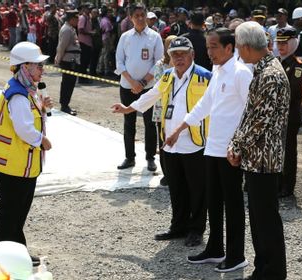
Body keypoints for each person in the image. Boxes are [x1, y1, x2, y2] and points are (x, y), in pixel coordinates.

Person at [112, 36, 211, 247]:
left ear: (192, 54)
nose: (179, 58)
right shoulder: (167, 76)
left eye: (183, 54)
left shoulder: (205, 77)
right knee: (176, 187)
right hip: (170, 143)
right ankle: (178, 226)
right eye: (175, 54)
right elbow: (152, 96)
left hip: (195, 142)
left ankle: (196, 229)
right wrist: (128, 108)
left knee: (197, 189)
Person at [177, 27, 252, 273]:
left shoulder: (241, 73)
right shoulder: (217, 71)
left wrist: (240, 145)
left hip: (231, 151)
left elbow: (250, 113)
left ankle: (236, 254)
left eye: (214, 47)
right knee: (214, 201)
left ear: (230, 48)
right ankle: (215, 248)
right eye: (207, 47)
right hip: (212, 147)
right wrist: (181, 126)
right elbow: (205, 103)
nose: (209, 52)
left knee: (232, 203)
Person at [228, 21, 290, 280]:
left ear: (245, 46)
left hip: (264, 158)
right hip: (257, 157)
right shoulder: (263, 70)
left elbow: (258, 121)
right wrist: (236, 144)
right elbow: (250, 113)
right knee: (258, 217)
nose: (238, 53)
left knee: (265, 219)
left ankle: (273, 272)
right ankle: (263, 267)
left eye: (239, 48)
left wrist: (237, 145)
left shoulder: (270, 75)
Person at [0, 41, 52, 266]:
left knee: (16, 212)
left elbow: (30, 116)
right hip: (10, 164)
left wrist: (43, 108)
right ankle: (2, 256)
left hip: (16, 163)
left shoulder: (25, 88)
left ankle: (14, 252)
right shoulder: (18, 94)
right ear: (25, 67)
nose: (43, 69)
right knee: (11, 213)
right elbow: (24, 128)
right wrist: (41, 140)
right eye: (38, 65)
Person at [114, 3, 163, 172]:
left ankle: (150, 157)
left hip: (148, 87)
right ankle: (129, 157)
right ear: (131, 18)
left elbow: (159, 63)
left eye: (143, 15)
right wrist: (132, 81)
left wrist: (142, 83)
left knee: (150, 123)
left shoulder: (155, 37)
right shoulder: (125, 37)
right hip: (127, 86)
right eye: (137, 16)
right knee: (129, 122)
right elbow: (119, 61)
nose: (140, 18)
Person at [275, 27, 302, 198]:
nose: (281, 46)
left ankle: (288, 185)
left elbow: (293, 90)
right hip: (276, 116)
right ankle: (278, 182)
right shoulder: (276, 62)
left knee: (289, 152)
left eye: (285, 43)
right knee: (277, 150)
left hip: (290, 115)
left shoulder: (297, 66)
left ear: (293, 43)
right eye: (279, 42)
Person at [153, 35, 177, 186]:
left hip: (178, 108)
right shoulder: (160, 64)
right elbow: (159, 85)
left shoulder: (184, 64)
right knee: (163, 141)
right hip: (161, 108)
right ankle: (166, 173)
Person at [55, 10, 81, 116]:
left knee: (70, 84)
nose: (77, 21)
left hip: (73, 60)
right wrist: (58, 59)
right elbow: (62, 46)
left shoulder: (70, 29)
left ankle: (66, 104)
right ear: (71, 19)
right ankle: (64, 105)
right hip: (68, 61)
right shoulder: (66, 30)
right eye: (76, 19)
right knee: (67, 83)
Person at [77, 3, 94, 84]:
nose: (89, 10)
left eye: (90, 8)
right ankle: (81, 78)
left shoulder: (88, 17)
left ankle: (84, 77)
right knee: (83, 61)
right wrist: (90, 33)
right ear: (84, 8)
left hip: (88, 43)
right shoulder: (82, 18)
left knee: (86, 61)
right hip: (83, 42)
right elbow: (80, 30)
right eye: (88, 8)